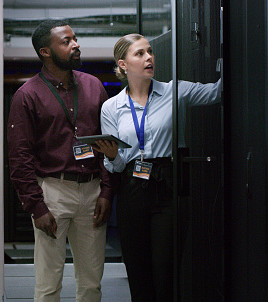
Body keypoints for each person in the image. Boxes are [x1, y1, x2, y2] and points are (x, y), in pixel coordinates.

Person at [94, 33, 222, 302]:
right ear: (123, 64)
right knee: (137, 271)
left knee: (165, 271)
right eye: (139, 54)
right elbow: (115, 166)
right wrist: (112, 155)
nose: (149, 57)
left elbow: (217, 92)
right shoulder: (112, 106)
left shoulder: (175, 91)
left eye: (150, 52)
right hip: (131, 187)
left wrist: (226, 52)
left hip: (167, 184)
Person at [7, 20, 119, 302]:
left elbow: (109, 143)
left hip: (93, 191)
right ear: (45, 51)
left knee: (91, 284)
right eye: (66, 41)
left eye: (75, 39)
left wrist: (106, 190)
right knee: (48, 285)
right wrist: (36, 206)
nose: (76, 44)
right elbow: (19, 157)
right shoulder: (27, 95)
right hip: (53, 193)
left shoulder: (94, 86)